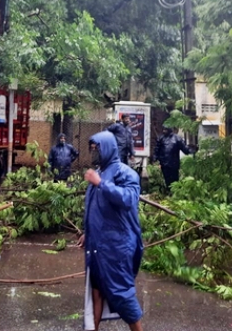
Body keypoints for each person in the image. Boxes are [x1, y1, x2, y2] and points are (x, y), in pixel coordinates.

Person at [78, 131, 144, 331]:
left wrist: (100, 183)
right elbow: (94, 208)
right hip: (97, 246)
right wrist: (87, 232)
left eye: (96, 148)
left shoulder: (125, 173)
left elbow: (129, 199)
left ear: (107, 148)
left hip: (117, 247)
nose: (93, 153)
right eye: (91, 149)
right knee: (96, 292)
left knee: (121, 294)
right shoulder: (99, 172)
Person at [153, 126, 192, 190]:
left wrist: (192, 152)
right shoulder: (161, 138)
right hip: (164, 164)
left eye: (166, 129)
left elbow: (185, 149)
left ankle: (174, 193)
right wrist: (155, 159)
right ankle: (169, 192)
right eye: (164, 129)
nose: (164, 130)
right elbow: (156, 149)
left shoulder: (177, 138)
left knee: (174, 180)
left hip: (173, 164)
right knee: (167, 180)